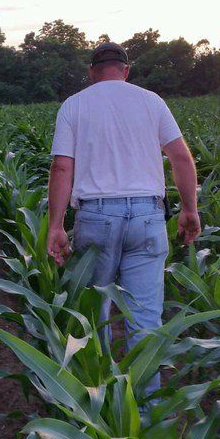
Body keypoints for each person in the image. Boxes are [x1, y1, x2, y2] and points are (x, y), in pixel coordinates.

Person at [45, 42, 201, 398]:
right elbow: (180, 157)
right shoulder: (152, 101)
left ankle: (96, 408)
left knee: (92, 315)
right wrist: (189, 209)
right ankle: (141, 416)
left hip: (97, 215)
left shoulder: (75, 105)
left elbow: (62, 167)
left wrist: (56, 226)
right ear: (126, 70)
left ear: (91, 73)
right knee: (145, 320)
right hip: (148, 215)